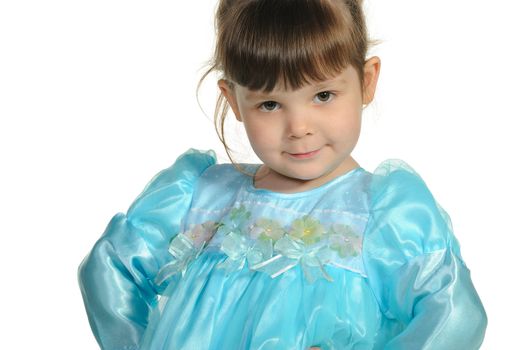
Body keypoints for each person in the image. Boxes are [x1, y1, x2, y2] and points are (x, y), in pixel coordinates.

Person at [78, 0, 487, 349]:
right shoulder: (200, 197)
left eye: (323, 95)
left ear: (366, 81)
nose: (299, 127)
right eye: (270, 104)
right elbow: (111, 266)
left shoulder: (383, 213)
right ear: (234, 100)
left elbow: (452, 313)